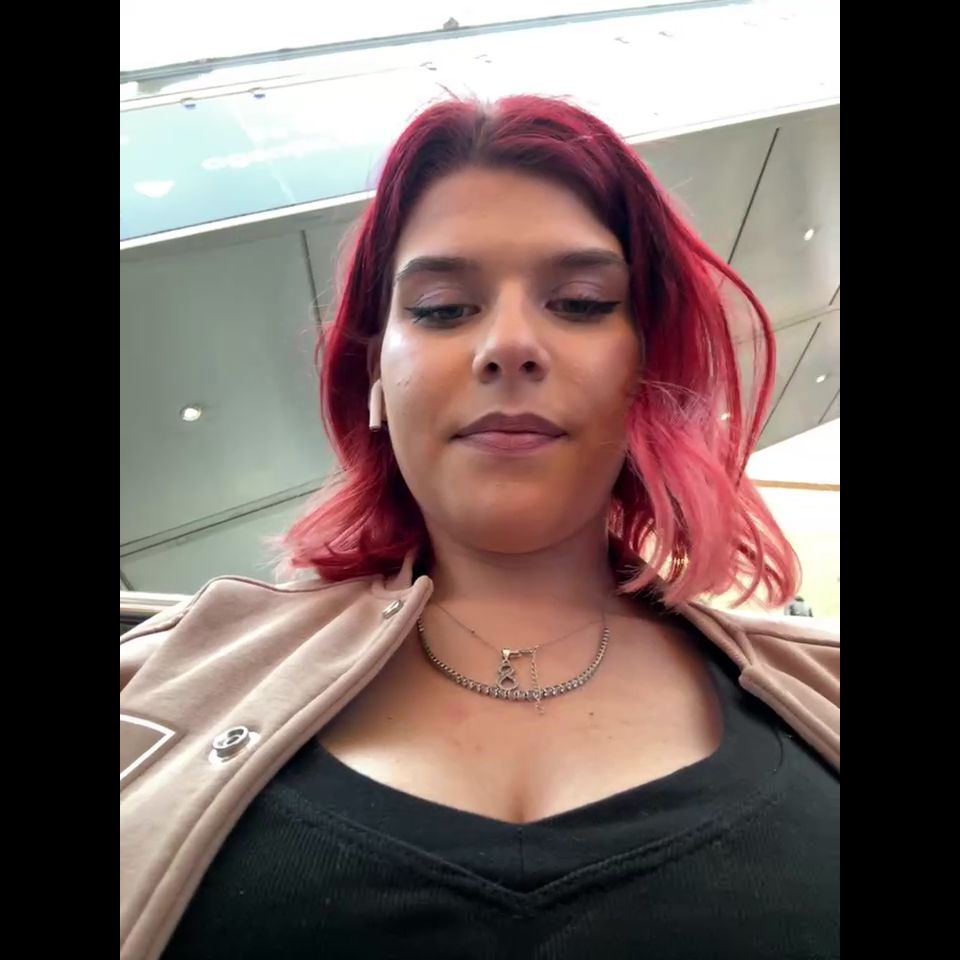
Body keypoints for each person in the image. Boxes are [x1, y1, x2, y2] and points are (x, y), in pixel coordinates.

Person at [120, 96, 839, 960]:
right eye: (440, 308)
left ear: (647, 369)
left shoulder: (823, 693)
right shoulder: (154, 687)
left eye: (580, 302)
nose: (509, 344)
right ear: (374, 377)